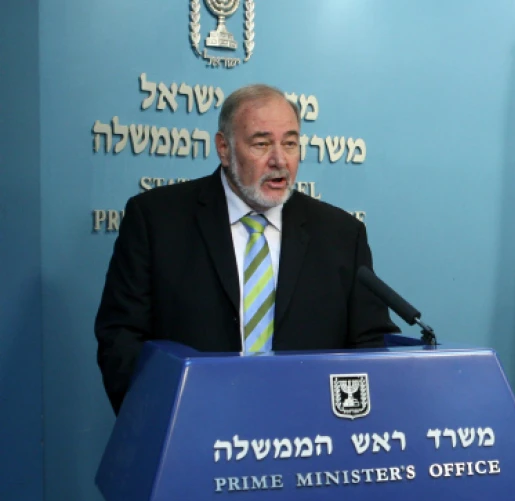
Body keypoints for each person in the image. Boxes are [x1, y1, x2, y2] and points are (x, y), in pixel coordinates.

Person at [95, 83, 397, 414]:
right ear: (224, 148)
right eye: (261, 143)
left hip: (312, 439)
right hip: (192, 435)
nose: (279, 160)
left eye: (291, 143)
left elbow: (370, 345)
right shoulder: (157, 220)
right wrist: (156, 421)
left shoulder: (341, 234)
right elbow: (122, 339)